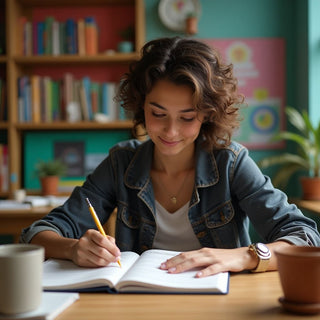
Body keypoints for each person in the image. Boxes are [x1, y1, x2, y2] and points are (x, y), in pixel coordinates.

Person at [21, 37, 320, 277]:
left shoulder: (231, 163)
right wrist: (74, 248)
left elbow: (305, 236)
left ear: (206, 115)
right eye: (158, 114)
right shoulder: (120, 162)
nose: (171, 131)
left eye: (187, 117)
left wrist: (245, 255)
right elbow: (37, 233)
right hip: (141, 305)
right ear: (142, 106)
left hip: (225, 303)